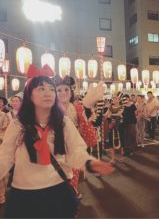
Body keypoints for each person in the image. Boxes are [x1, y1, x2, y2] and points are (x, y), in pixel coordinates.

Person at [0, 64, 114, 218]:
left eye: (51, 89)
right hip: (25, 193)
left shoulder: (63, 122)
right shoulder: (18, 125)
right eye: (41, 88)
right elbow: (5, 156)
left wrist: (89, 163)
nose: (48, 93)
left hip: (57, 189)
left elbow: (75, 151)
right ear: (29, 95)